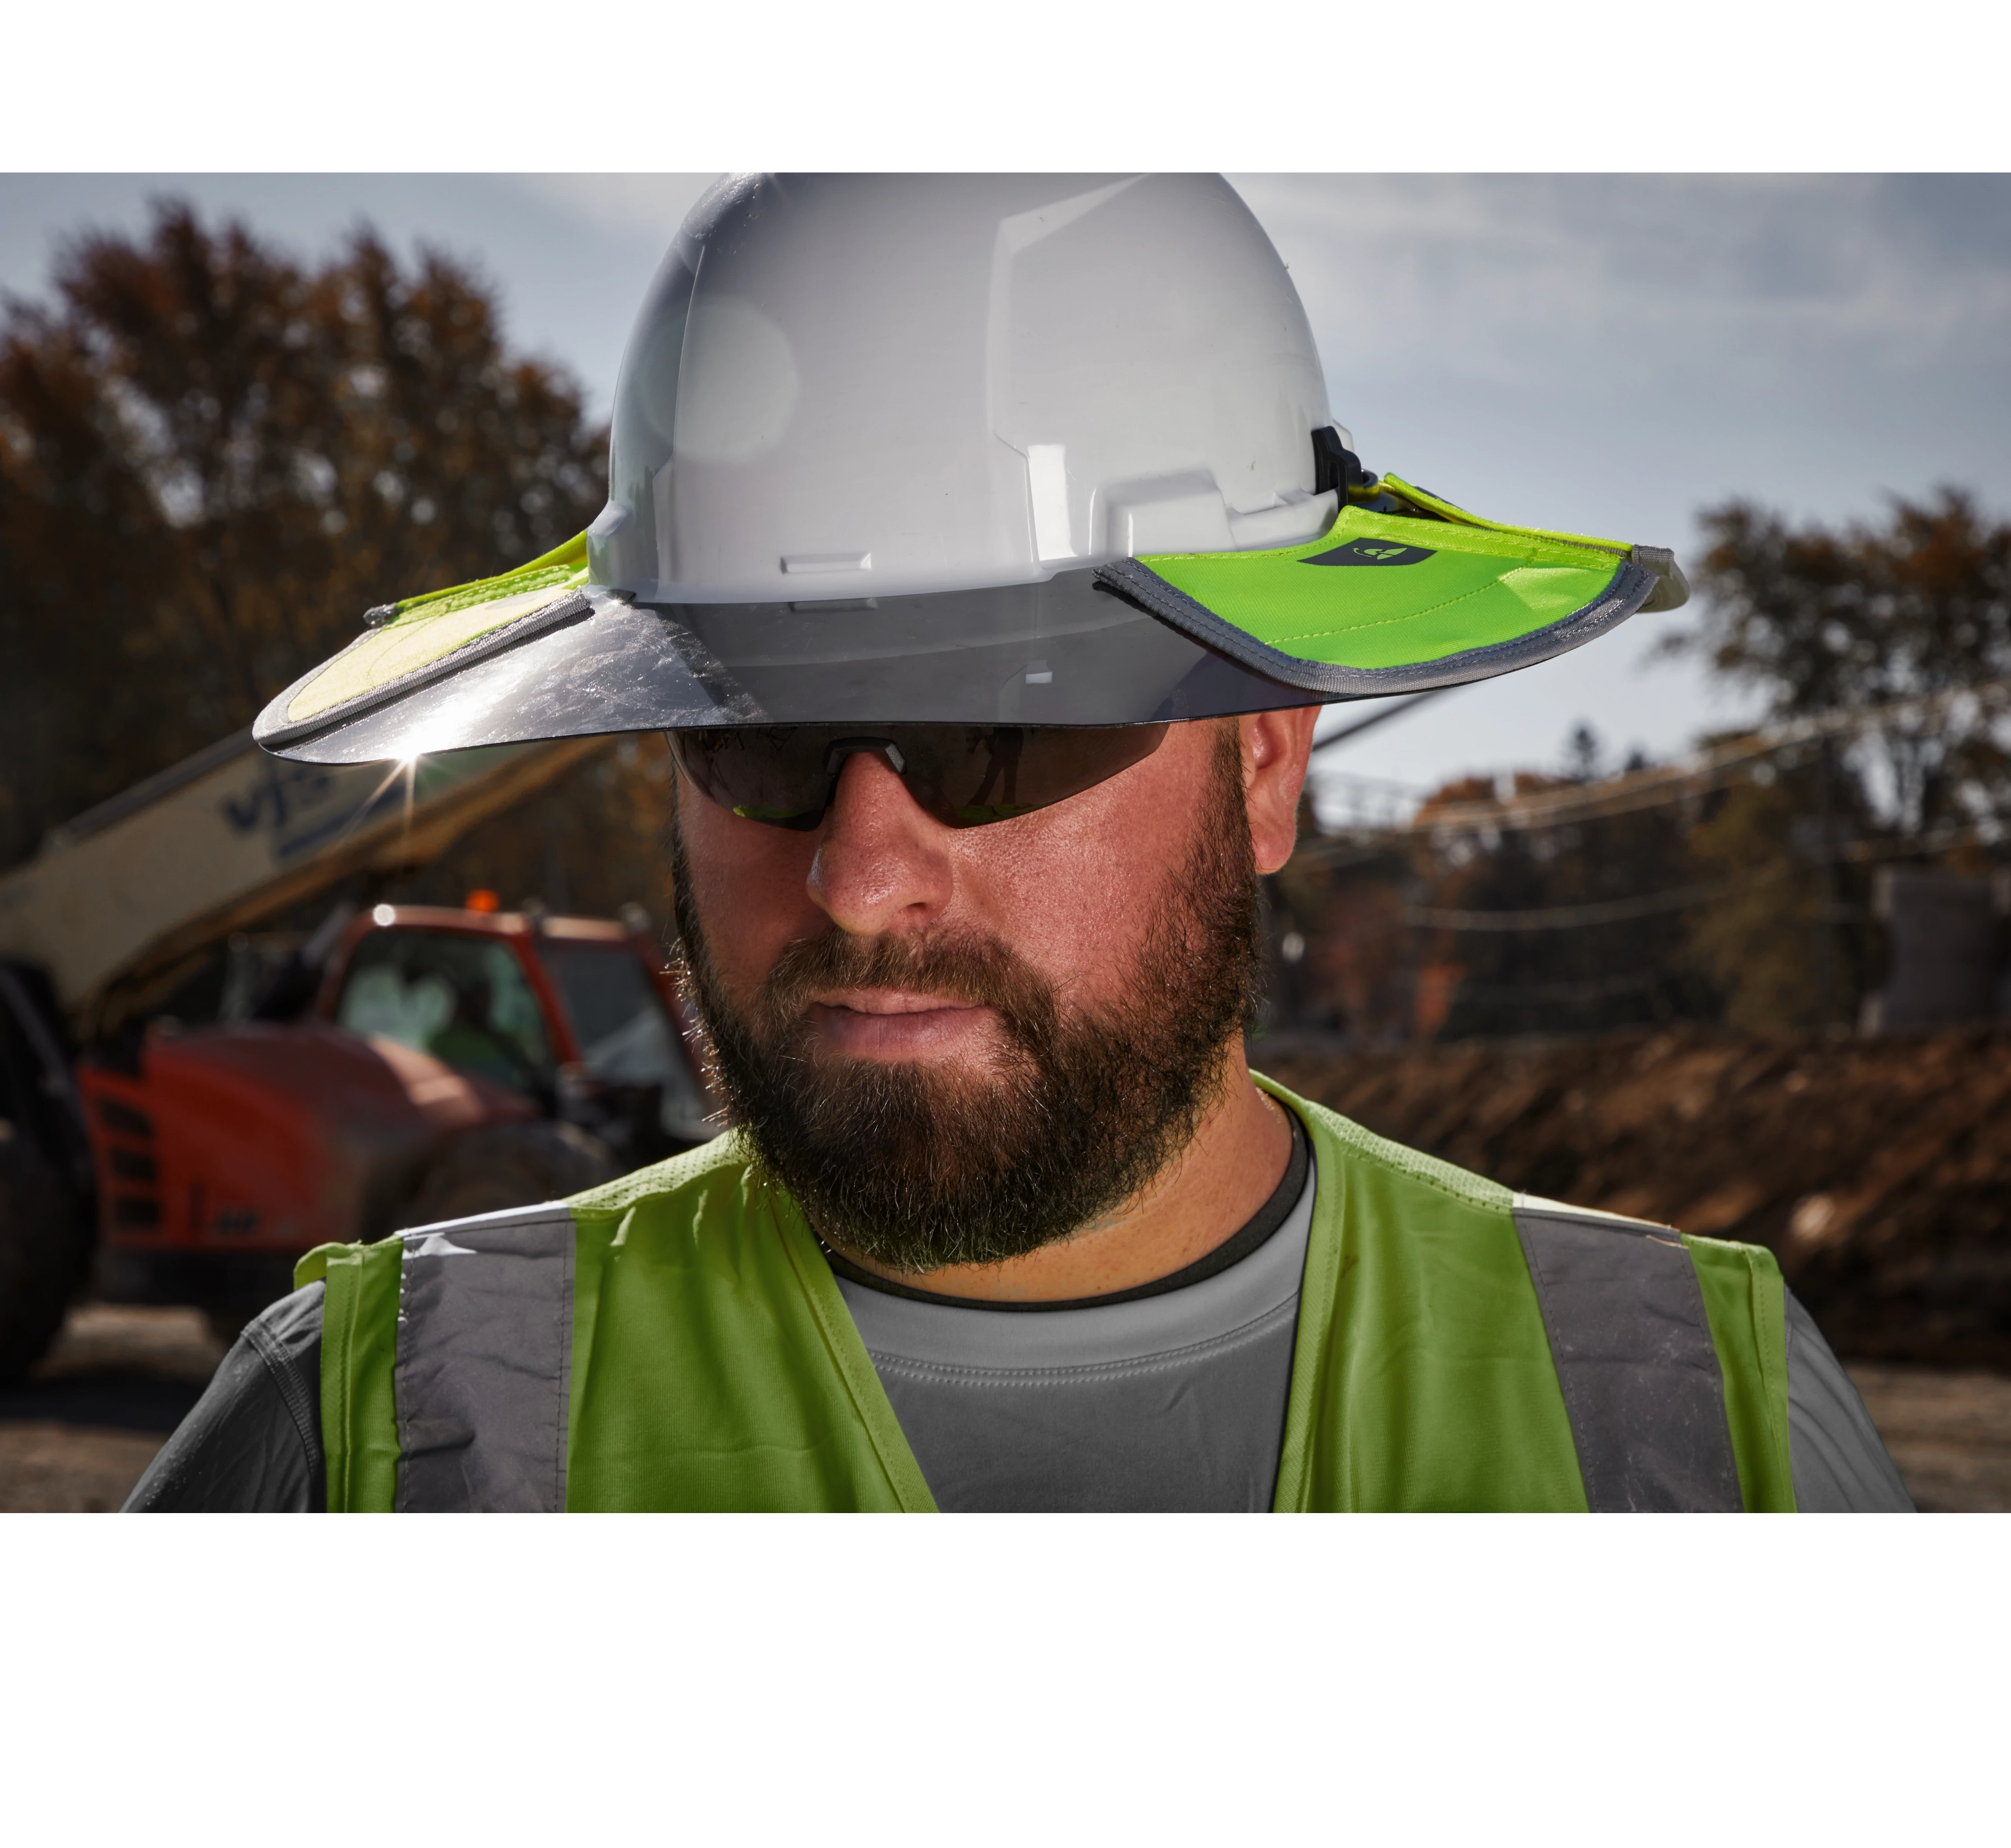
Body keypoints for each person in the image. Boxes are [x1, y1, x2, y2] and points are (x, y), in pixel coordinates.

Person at [127, 172, 1909, 1513]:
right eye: (762, 737)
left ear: (1263, 762)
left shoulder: (1687, 1419)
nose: (859, 873)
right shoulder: (380, 1428)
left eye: (1003, 730)